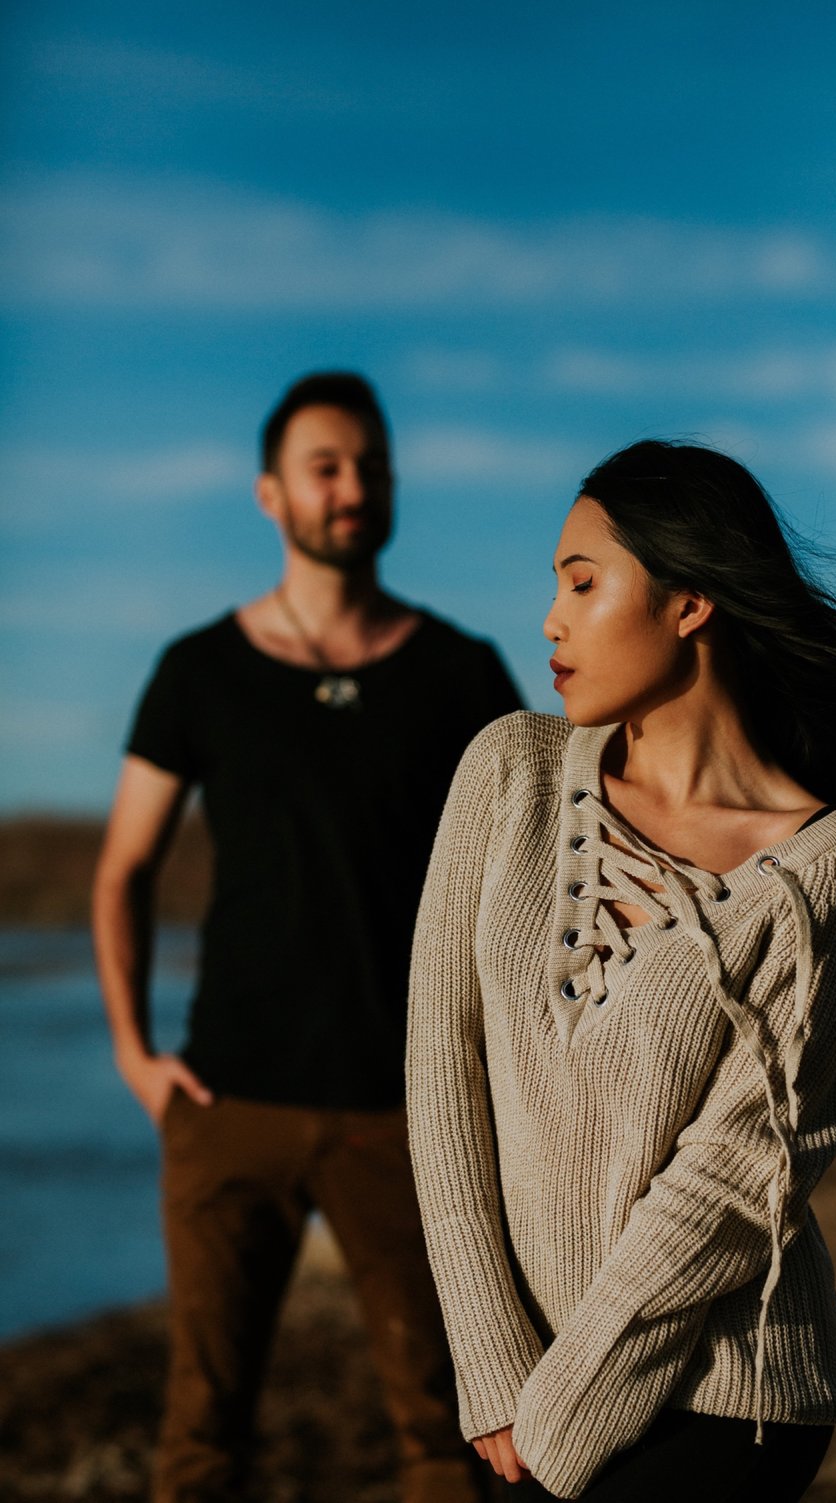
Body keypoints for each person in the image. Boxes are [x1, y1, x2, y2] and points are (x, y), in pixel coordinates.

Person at [406, 439, 836, 1502]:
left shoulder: (824, 868)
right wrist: (495, 1367)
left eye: (584, 584)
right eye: (556, 585)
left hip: (723, 1402)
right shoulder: (509, 771)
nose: (550, 618)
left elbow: (737, 1179)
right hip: (524, 1395)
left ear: (688, 601)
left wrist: (563, 1413)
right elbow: (440, 1068)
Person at [92, 371, 521, 1503]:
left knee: (452, 1433)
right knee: (201, 1440)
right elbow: (125, 867)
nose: (353, 486)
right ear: (269, 495)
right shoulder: (201, 672)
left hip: (407, 1112)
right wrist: (136, 1056)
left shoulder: (459, 672)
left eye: (371, 466)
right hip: (226, 1105)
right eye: (325, 466)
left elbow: (523, 877)